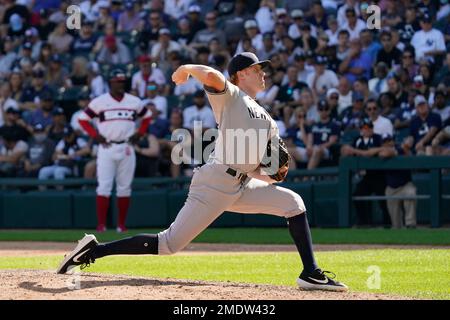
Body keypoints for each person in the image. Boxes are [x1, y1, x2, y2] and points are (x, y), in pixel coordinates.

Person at [57, 52, 348, 292]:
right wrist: (185, 68)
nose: (263, 74)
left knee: (293, 204)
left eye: (263, 70)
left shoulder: (268, 118)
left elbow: (261, 167)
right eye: (257, 69)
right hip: (214, 182)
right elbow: (211, 75)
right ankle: (94, 250)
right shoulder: (231, 96)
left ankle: (310, 273)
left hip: (242, 183)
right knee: (168, 244)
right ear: (240, 74)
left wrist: (273, 175)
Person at [77, 69, 153, 233]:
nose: (121, 84)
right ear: (110, 82)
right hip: (107, 146)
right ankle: (101, 225)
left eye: (123, 81)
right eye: (117, 81)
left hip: (126, 146)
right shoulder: (100, 101)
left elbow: (147, 116)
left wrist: (140, 133)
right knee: (103, 186)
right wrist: (94, 135)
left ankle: (121, 225)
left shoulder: (134, 101)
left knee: (124, 187)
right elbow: (82, 119)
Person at [379, 134, 417, 229]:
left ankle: (410, 224)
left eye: (390, 140)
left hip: (405, 185)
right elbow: (384, 154)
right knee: (396, 224)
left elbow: (409, 153)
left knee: (411, 193)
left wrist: (405, 147)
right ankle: (397, 229)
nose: (388, 143)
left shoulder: (401, 149)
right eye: (386, 141)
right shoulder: (381, 151)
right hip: (391, 188)